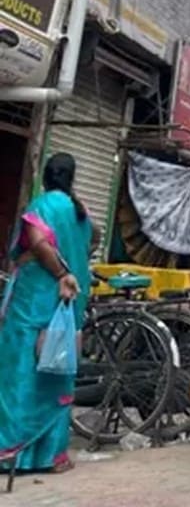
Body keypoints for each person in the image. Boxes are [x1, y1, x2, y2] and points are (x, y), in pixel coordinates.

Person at [0, 153, 93, 475]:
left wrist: (59, 273)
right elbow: (90, 245)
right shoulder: (80, 212)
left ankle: (11, 451)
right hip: (68, 305)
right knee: (57, 373)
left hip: (35, 301)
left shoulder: (41, 206)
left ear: (46, 176)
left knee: (20, 371)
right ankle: (52, 456)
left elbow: (39, 243)